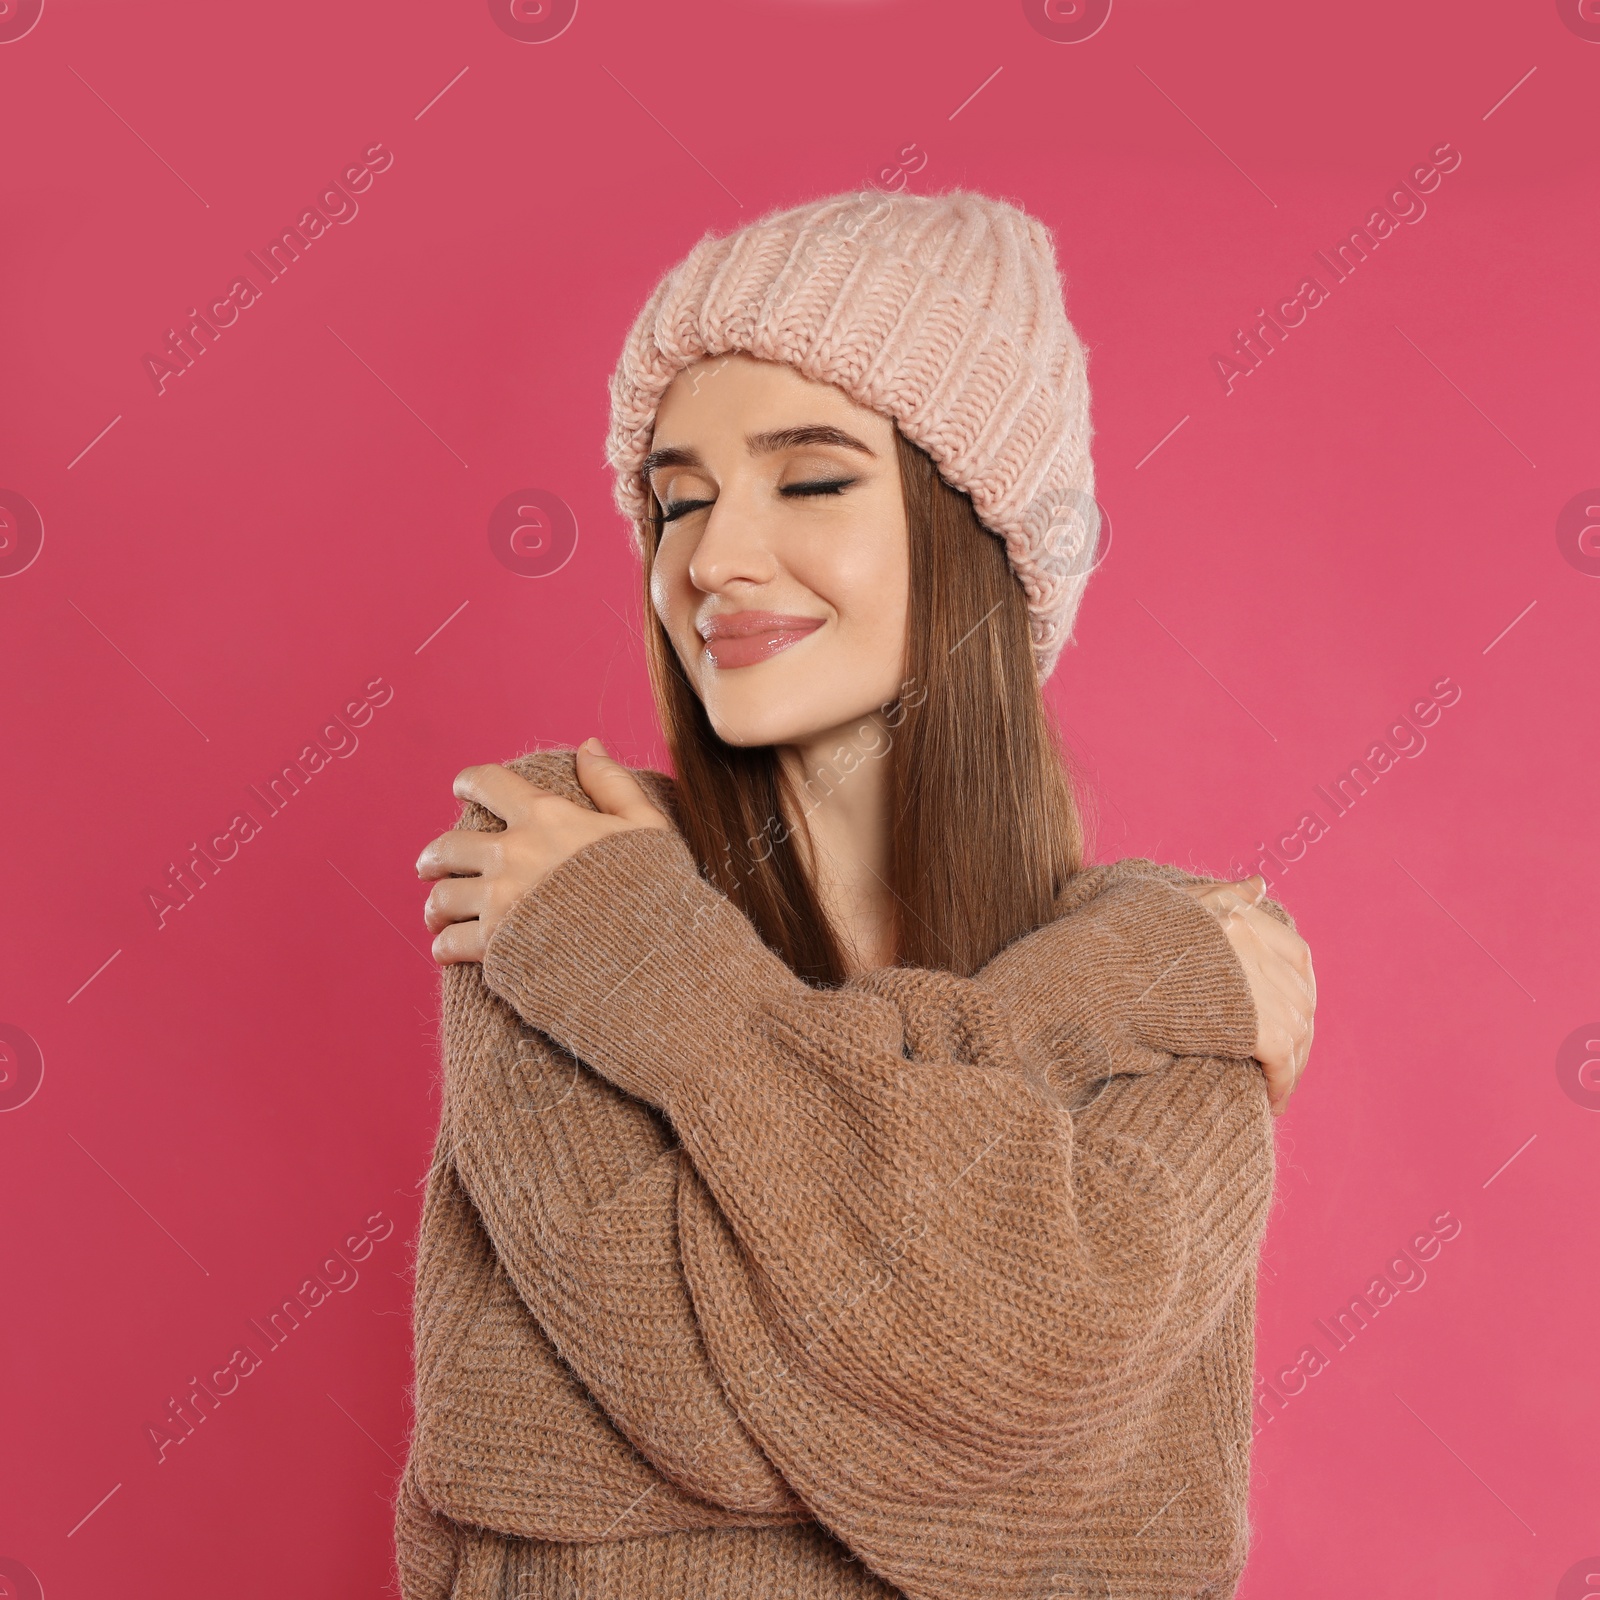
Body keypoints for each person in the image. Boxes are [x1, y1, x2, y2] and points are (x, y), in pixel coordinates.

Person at [398, 189, 1315, 1600]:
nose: (711, 558)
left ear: (982, 538)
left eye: (810, 479)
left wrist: (652, 975)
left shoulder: (1191, 958)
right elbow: (689, 1379)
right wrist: (1107, 1005)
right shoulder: (556, 862)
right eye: (677, 498)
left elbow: (1014, 1377)